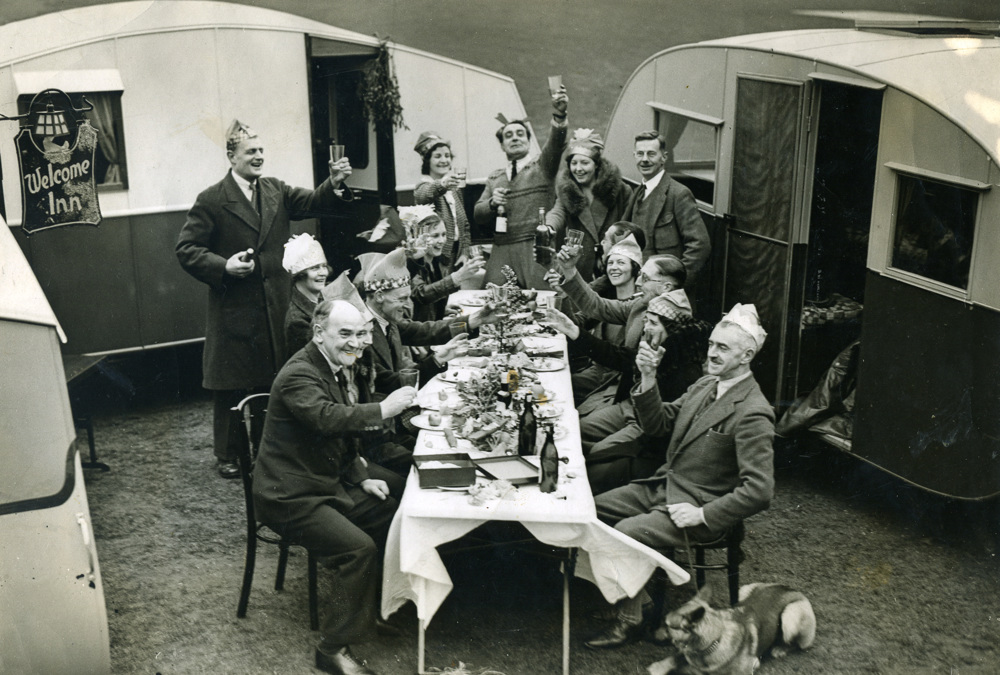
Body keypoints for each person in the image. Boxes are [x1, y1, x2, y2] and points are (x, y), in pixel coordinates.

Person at [584, 303, 775, 650]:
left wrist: (703, 514)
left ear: (747, 355)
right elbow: (657, 425)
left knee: (627, 531)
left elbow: (760, 490)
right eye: (712, 344)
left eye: (723, 348)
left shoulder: (753, 412)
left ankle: (631, 620)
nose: (712, 353)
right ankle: (639, 600)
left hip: (699, 508)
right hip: (664, 487)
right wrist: (647, 378)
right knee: (589, 512)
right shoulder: (706, 384)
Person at [176, 119, 355, 479]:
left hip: (275, 305)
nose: (259, 157)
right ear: (232, 156)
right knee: (231, 385)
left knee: (268, 381)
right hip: (235, 308)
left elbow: (313, 201)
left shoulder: (275, 189)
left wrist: (333, 184)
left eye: (261, 151)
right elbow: (186, 248)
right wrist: (223, 265)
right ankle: (227, 454)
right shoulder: (212, 199)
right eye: (251, 152)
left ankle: (263, 451)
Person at [252, 300, 412, 675]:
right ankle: (331, 651)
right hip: (288, 495)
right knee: (359, 549)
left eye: (360, 334)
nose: (355, 342)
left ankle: (369, 610)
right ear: (318, 332)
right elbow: (327, 419)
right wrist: (385, 410)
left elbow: (340, 439)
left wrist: (361, 476)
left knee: (389, 510)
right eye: (345, 334)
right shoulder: (299, 374)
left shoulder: (334, 365)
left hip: (321, 482)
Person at [553, 289, 711, 494]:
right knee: (577, 429)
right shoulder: (655, 344)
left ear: (673, 327)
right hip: (629, 407)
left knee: (599, 454)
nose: (646, 328)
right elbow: (616, 355)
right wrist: (574, 331)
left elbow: (660, 423)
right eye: (646, 320)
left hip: (646, 424)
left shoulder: (688, 369)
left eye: (653, 323)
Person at [473, 86, 569, 289]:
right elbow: (478, 214)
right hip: (501, 248)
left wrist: (559, 115)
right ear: (502, 145)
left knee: (542, 301)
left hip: (535, 246)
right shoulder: (495, 178)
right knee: (493, 299)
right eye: (509, 135)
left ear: (528, 140)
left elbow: (556, 143)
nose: (515, 138)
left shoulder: (542, 166)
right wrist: (491, 204)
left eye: (519, 134)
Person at [622, 131, 710, 285]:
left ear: (664, 157)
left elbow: (700, 246)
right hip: (639, 289)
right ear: (634, 155)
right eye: (640, 154)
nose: (644, 160)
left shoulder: (679, 194)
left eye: (651, 154)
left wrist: (675, 284)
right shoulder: (637, 193)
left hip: (667, 294)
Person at [544, 130, 632, 281]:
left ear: (597, 165)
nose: (578, 169)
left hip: (613, 266)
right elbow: (558, 212)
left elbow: (629, 225)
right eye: (574, 163)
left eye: (585, 163)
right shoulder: (567, 190)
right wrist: (549, 227)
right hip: (580, 266)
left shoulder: (621, 190)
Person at [401, 206, 485, 322]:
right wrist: (458, 276)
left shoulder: (435, 261)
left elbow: (431, 299)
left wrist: (441, 309)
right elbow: (421, 294)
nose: (441, 241)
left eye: (443, 234)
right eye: (435, 235)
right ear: (419, 237)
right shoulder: (413, 262)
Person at [413, 132, 472, 266]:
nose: (444, 160)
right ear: (427, 160)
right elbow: (424, 194)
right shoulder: (423, 185)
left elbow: (465, 226)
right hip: (436, 258)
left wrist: (464, 253)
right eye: (437, 156)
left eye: (447, 156)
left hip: (457, 256)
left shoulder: (454, 189)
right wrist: (442, 184)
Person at [283, 233, 330, 359]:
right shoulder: (297, 321)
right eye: (315, 268)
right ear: (300, 274)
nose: (323, 273)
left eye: (324, 266)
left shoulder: (325, 299)